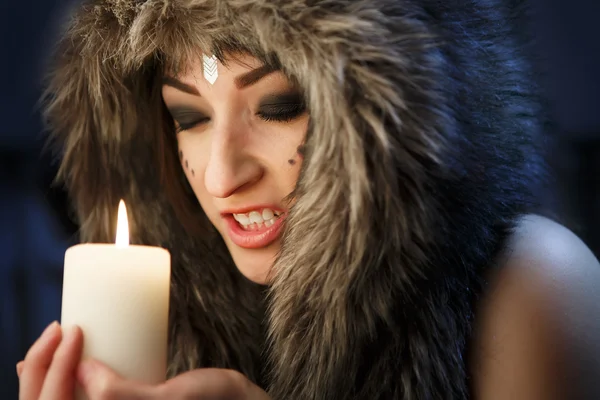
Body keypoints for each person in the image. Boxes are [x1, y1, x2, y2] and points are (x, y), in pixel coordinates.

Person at [17, 0, 600, 399]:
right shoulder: (168, 314)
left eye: (279, 107)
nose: (222, 176)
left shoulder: (537, 281)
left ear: (395, 118)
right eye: (187, 117)